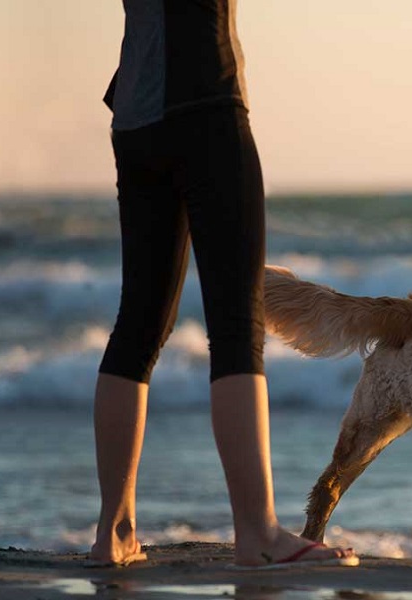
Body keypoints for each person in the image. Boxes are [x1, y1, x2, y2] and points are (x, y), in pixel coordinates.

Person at [87, 0, 357, 568]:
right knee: (236, 326)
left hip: (135, 118)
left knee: (137, 325)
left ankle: (113, 533)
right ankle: (257, 532)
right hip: (206, 103)